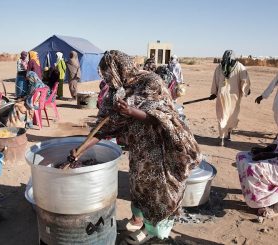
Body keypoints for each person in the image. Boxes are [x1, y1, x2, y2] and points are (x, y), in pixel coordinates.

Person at [69, 50, 201, 244]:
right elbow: (104, 128)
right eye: (105, 75)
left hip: (159, 150)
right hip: (139, 151)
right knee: (141, 189)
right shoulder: (117, 92)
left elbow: (163, 117)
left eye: (110, 73)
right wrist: (81, 149)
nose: (108, 79)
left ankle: (160, 236)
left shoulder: (151, 82)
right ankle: (147, 227)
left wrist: (131, 111)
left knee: (161, 193)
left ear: (121, 68)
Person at [210, 50, 251, 146]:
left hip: (222, 96)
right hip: (234, 97)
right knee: (231, 117)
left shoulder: (219, 67)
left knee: (222, 117)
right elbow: (244, 81)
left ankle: (222, 138)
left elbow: (215, 82)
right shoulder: (240, 67)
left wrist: (213, 93)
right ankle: (227, 135)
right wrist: (246, 90)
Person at [236, 139, 278, 218]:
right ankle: (254, 193)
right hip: (275, 156)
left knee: (253, 168)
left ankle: (275, 207)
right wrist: (266, 150)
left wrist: (267, 155)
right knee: (241, 156)